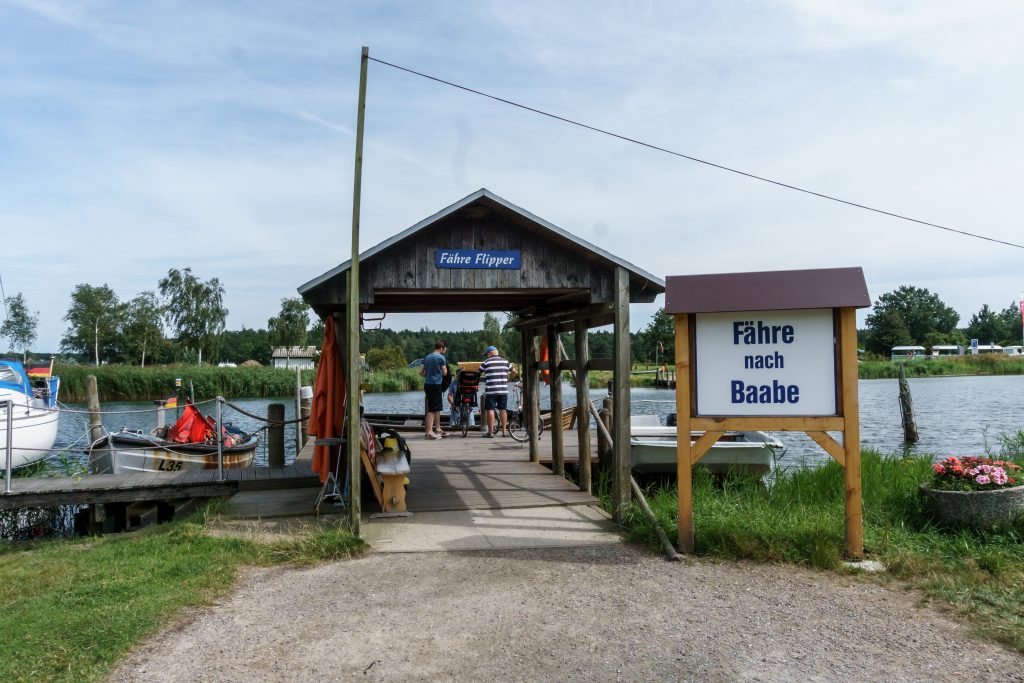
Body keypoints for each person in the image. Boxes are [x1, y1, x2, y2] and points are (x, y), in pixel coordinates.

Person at [479, 345, 513, 437]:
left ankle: (490, 432)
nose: (487, 356)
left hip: (491, 390)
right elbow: (514, 372)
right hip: (503, 390)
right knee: (503, 410)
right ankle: (504, 432)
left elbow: (478, 373)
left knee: (490, 410)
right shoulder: (506, 362)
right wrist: (508, 380)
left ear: (490, 353)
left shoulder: (486, 362)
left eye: (487, 354)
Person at [419, 339, 449, 439]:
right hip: (436, 385)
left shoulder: (426, 357)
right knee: (432, 409)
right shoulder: (441, 357)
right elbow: (445, 373)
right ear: (441, 348)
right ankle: (429, 432)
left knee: (437, 408)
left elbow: (421, 372)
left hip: (427, 385)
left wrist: (428, 376)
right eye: (444, 350)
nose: (445, 351)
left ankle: (438, 429)